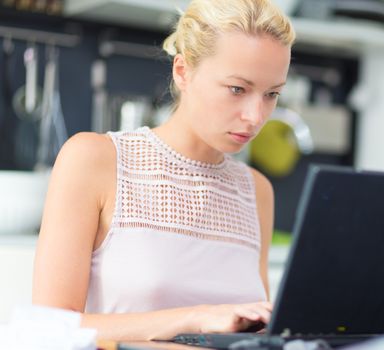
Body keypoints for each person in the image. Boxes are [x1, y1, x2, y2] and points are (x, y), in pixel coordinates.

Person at [32, 0, 295, 341]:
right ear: (182, 71)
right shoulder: (95, 159)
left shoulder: (256, 190)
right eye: (237, 89)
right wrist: (197, 318)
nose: (255, 116)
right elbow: (48, 328)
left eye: (271, 94)